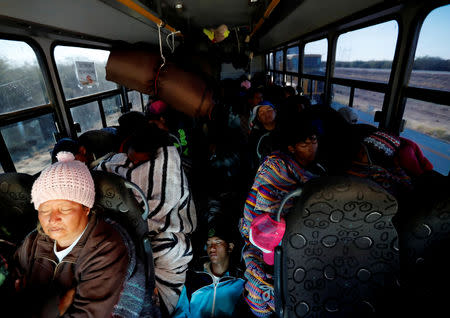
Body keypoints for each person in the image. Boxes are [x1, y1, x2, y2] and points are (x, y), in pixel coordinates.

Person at [10, 151, 154, 317]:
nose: (52, 219)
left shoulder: (107, 246)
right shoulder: (33, 241)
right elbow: (11, 291)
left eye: (64, 209)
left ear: (86, 209)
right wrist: (56, 306)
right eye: (44, 210)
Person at [95, 123, 197, 315]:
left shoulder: (166, 164)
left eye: (139, 163)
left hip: (164, 237)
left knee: (171, 248)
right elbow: (105, 173)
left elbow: (164, 205)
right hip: (125, 234)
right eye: (131, 160)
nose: (133, 165)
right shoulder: (121, 161)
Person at [239, 115, 325, 317]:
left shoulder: (318, 171)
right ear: (292, 147)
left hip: (304, 235)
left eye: (314, 141)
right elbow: (264, 214)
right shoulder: (276, 168)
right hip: (269, 238)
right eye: (305, 143)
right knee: (262, 289)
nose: (312, 147)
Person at [172, 218, 246, 318]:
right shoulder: (192, 277)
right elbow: (181, 312)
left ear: (230, 247)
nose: (212, 248)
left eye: (218, 242)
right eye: (209, 244)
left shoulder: (240, 281)